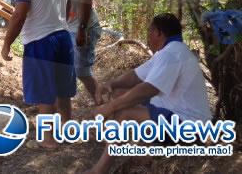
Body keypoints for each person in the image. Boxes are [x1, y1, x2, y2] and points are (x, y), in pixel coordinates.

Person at [87, 13, 211, 174]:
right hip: (178, 116)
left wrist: (109, 108)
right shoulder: (169, 51)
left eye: (149, 32)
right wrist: (111, 84)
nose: (147, 37)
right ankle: (135, 144)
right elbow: (135, 76)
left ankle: (100, 170)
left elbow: (148, 89)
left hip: (191, 129)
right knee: (119, 94)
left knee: (124, 112)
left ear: (158, 33)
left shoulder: (172, 54)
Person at [1, 0, 73, 148]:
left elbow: (19, 16)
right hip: (63, 38)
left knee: (44, 93)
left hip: (40, 42)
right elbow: (67, 7)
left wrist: (7, 44)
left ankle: (48, 139)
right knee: (63, 89)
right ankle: (68, 130)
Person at [43, 0, 102, 100]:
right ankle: (57, 104)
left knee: (81, 72)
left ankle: (104, 105)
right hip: (71, 28)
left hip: (84, 28)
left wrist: (82, 29)